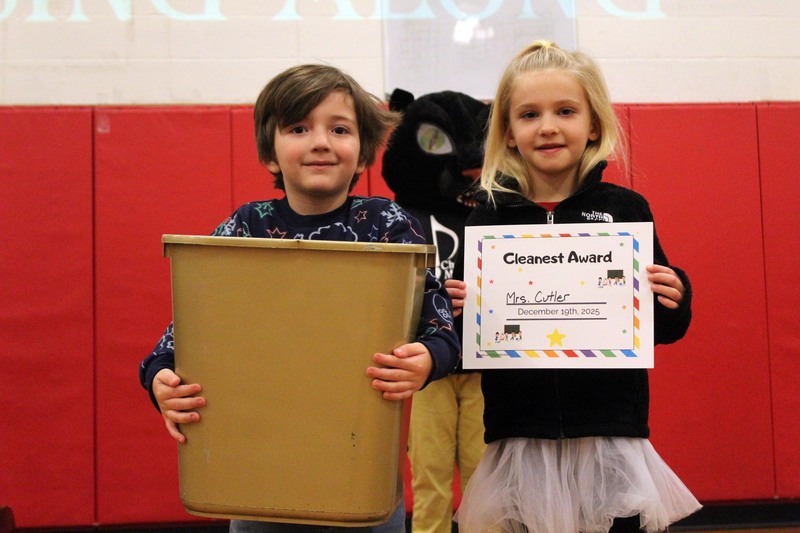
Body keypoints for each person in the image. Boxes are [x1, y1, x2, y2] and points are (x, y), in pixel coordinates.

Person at [138, 64, 462, 533]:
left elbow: (437, 319)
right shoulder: (247, 226)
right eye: (298, 128)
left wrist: (430, 358)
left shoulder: (386, 224)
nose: (320, 142)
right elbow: (191, 322)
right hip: (256, 480)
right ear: (270, 152)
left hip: (357, 475)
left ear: (364, 150)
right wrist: (160, 379)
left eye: (339, 129)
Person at [447, 41, 702, 532]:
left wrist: (675, 295)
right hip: (519, 437)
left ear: (594, 125)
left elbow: (665, 329)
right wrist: (457, 314)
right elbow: (466, 346)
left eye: (565, 110)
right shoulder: (487, 218)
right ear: (508, 132)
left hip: (609, 437)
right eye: (528, 114)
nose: (547, 126)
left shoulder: (626, 208)